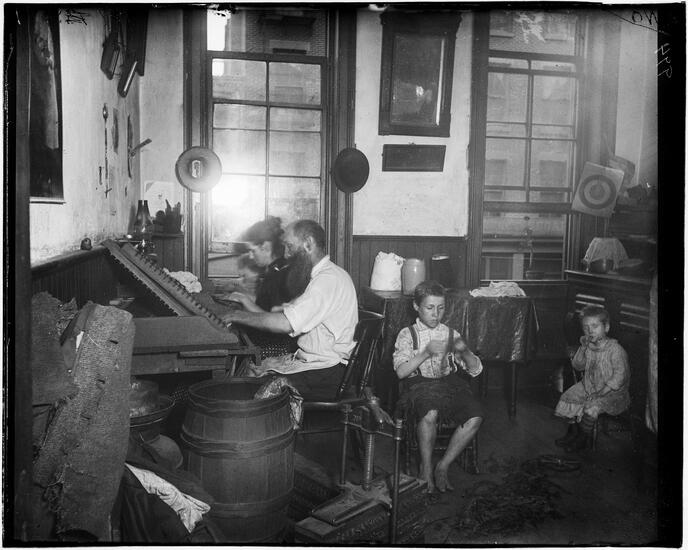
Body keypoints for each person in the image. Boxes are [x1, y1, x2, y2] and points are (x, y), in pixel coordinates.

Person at [221, 220, 358, 401]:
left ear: (308, 244)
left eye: (290, 246)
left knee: (254, 387)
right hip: (319, 364)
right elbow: (286, 313)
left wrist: (239, 315)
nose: (286, 254)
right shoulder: (323, 276)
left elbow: (286, 323)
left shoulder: (328, 280)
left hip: (328, 372)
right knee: (253, 371)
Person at [393, 281, 483, 494]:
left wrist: (465, 352)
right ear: (416, 306)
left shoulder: (451, 333)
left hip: (449, 384)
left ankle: (443, 466)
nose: (436, 314)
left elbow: (475, 370)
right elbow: (401, 372)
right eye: (430, 308)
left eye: (441, 308)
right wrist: (425, 353)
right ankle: (425, 468)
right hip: (418, 384)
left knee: (476, 414)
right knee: (430, 412)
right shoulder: (407, 334)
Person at [554, 305, 630, 452]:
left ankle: (582, 439)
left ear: (606, 327)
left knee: (591, 408)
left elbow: (619, 377)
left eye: (595, 326)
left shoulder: (615, 350)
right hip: (589, 386)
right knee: (567, 397)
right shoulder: (589, 347)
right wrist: (582, 349)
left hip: (612, 393)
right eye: (586, 327)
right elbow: (578, 366)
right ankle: (573, 433)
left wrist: (601, 392)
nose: (590, 331)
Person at [225, 216, 291, 313]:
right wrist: (240, 292)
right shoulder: (274, 269)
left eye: (253, 251)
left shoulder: (278, 275)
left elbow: (273, 318)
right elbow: (264, 303)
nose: (251, 256)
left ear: (266, 247)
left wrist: (243, 299)